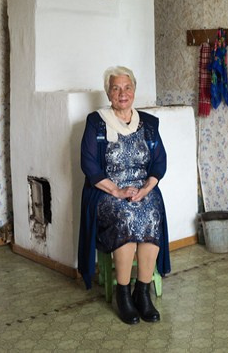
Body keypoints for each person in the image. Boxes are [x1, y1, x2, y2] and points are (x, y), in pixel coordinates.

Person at [78, 66, 170, 325]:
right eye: (116, 88)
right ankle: (123, 292)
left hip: (143, 189)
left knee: (151, 213)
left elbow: (160, 162)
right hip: (107, 191)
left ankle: (142, 292)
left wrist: (146, 189)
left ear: (134, 91)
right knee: (126, 216)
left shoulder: (148, 124)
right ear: (108, 92)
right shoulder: (96, 121)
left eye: (127, 87)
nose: (122, 93)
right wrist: (117, 190)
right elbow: (89, 164)